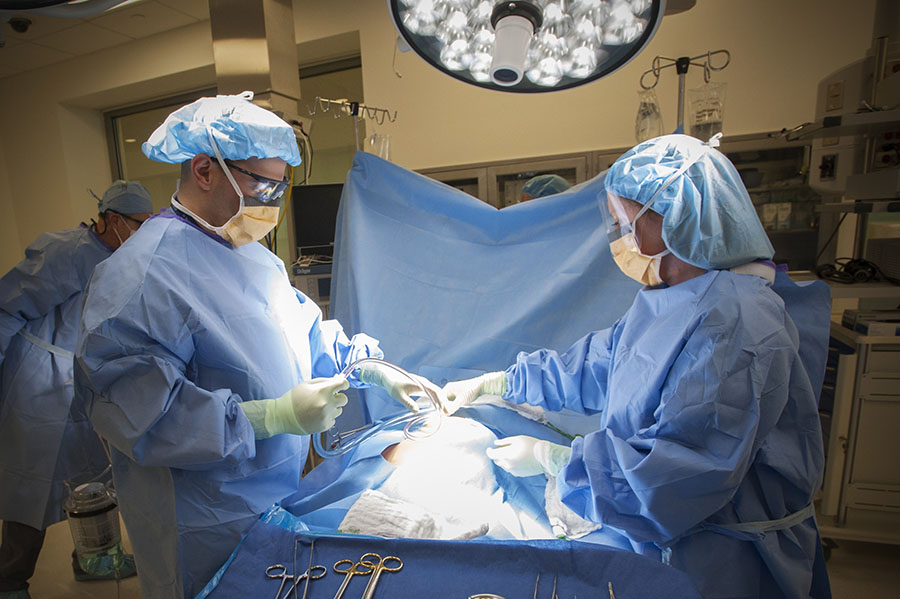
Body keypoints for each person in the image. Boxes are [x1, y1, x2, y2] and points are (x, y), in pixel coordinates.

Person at [73, 91, 438, 599]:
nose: (272, 203)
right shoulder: (140, 277)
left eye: (281, 187)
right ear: (204, 170)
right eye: (262, 185)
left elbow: (307, 332)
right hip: (201, 521)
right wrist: (273, 417)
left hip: (277, 498)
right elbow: (144, 416)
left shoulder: (254, 258)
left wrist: (371, 366)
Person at [440, 134, 828, 598]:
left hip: (725, 558)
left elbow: (680, 471)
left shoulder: (737, 320)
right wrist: (500, 382)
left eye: (626, 221)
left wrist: (555, 459)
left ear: (678, 220)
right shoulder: (671, 300)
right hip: (672, 540)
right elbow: (597, 365)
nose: (619, 237)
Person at [0, 181, 152, 598]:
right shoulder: (65, 252)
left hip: (83, 378)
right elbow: (7, 307)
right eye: (140, 224)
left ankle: (93, 559)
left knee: (95, 477)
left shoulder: (120, 260)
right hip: (40, 380)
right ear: (114, 220)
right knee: (31, 484)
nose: (144, 233)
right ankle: (9, 579)